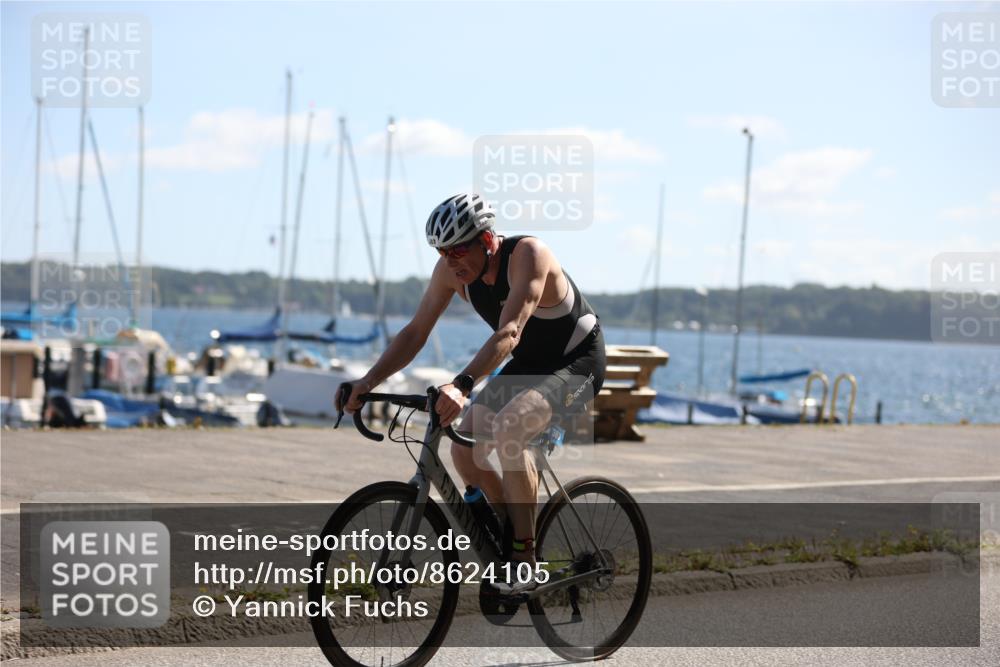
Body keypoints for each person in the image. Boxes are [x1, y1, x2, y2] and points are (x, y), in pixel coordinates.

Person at [338, 193, 605, 566]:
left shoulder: (529, 255)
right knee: (464, 449)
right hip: (530, 364)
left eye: (458, 250)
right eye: (442, 251)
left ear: (487, 240)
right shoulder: (451, 271)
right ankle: (509, 531)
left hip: (577, 363)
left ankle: (525, 559)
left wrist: (462, 384)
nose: (450, 261)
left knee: (511, 429)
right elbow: (415, 332)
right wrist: (367, 382)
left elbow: (510, 333)